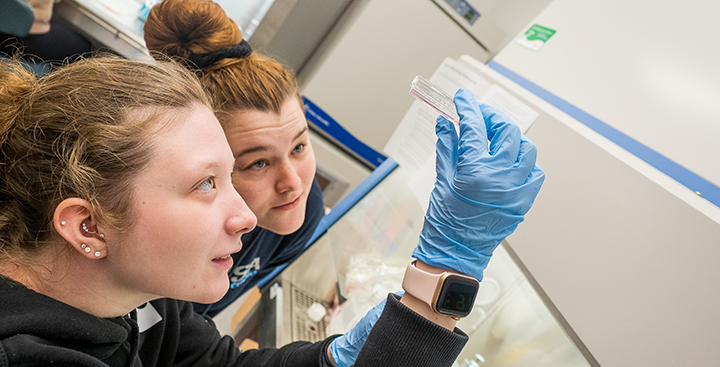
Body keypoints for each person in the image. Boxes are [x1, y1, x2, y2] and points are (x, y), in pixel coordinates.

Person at [0, 53, 544, 366]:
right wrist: (445, 277)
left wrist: (336, 358)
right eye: (206, 183)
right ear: (88, 224)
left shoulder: (139, 299)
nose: (242, 216)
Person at [143, 0, 324, 318]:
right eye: (259, 163)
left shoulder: (301, 210)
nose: (292, 184)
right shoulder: (165, 237)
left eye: (298, 148)